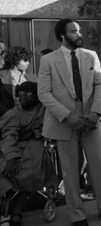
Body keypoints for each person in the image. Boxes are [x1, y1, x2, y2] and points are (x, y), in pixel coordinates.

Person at [38, 19, 101, 226]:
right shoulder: (48, 60)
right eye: (74, 31)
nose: (79, 34)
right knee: (70, 170)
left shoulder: (90, 56)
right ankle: (77, 215)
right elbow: (44, 93)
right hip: (65, 122)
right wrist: (68, 116)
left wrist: (95, 112)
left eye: (79, 30)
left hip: (91, 120)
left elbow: (100, 86)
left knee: (98, 166)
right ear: (62, 36)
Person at [0, 81, 59, 226]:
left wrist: (36, 133)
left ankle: (17, 211)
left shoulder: (43, 111)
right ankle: (4, 212)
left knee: (32, 170)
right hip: (13, 147)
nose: (23, 97)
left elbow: (50, 127)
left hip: (35, 146)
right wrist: (11, 157)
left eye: (28, 94)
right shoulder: (14, 114)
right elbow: (9, 136)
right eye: (20, 94)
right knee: (6, 170)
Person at [0, 46, 36, 117]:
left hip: (30, 119)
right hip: (6, 119)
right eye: (25, 60)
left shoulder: (31, 76)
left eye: (28, 60)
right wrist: (9, 114)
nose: (28, 63)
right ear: (15, 60)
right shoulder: (1, 76)